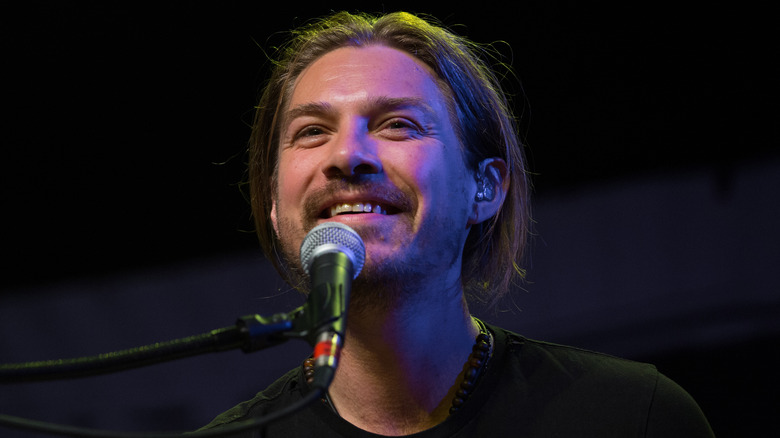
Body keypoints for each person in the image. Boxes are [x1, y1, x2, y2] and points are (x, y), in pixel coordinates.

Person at [199, 10, 714, 437]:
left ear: (484, 188)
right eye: (311, 131)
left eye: (397, 124)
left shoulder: (633, 418)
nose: (347, 155)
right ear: (272, 200)